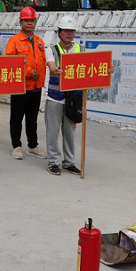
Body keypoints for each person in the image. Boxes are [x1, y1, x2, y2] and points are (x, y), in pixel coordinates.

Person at [5, 6, 46, 160]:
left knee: (32, 119)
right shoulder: (14, 41)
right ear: (20, 22)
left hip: (36, 87)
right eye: (26, 20)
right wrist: (28, 72)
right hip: (20, 87)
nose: (29, 23)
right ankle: (16, 146)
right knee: (17, 118)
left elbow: (43, 62)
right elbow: (10, 63)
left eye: (32, 20)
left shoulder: (39, 41)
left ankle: (33, 146)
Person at [44, 15, 82, 176]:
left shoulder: (81, 49)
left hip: (73, 99)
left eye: (71, 31)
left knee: (70, 133)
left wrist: (106, 71)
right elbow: (52, 66)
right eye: (66, 30)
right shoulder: (51, 50)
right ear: (59, 32)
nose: (69, 33)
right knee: (53, 132)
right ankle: (53, 162)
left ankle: (69, 162)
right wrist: (55, 70)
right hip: (55, 97)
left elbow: (89, 68)